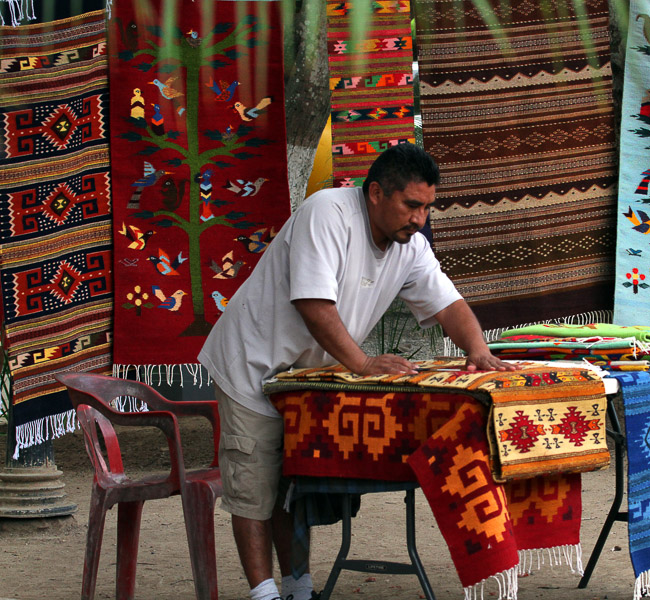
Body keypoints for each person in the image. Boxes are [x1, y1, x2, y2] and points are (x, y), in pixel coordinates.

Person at [197, 143, 516, 600]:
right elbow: (313, 304)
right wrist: (364, 363)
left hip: (308, 379)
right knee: (254, 486)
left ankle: (298, 589)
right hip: (251, 364)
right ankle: (263, 594)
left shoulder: (412, 246)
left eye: (427, 207)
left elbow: (448, 303)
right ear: (375, 193)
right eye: (411, 205)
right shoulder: (327, 212)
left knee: (293, 487)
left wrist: (478, 350)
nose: (420, 218)